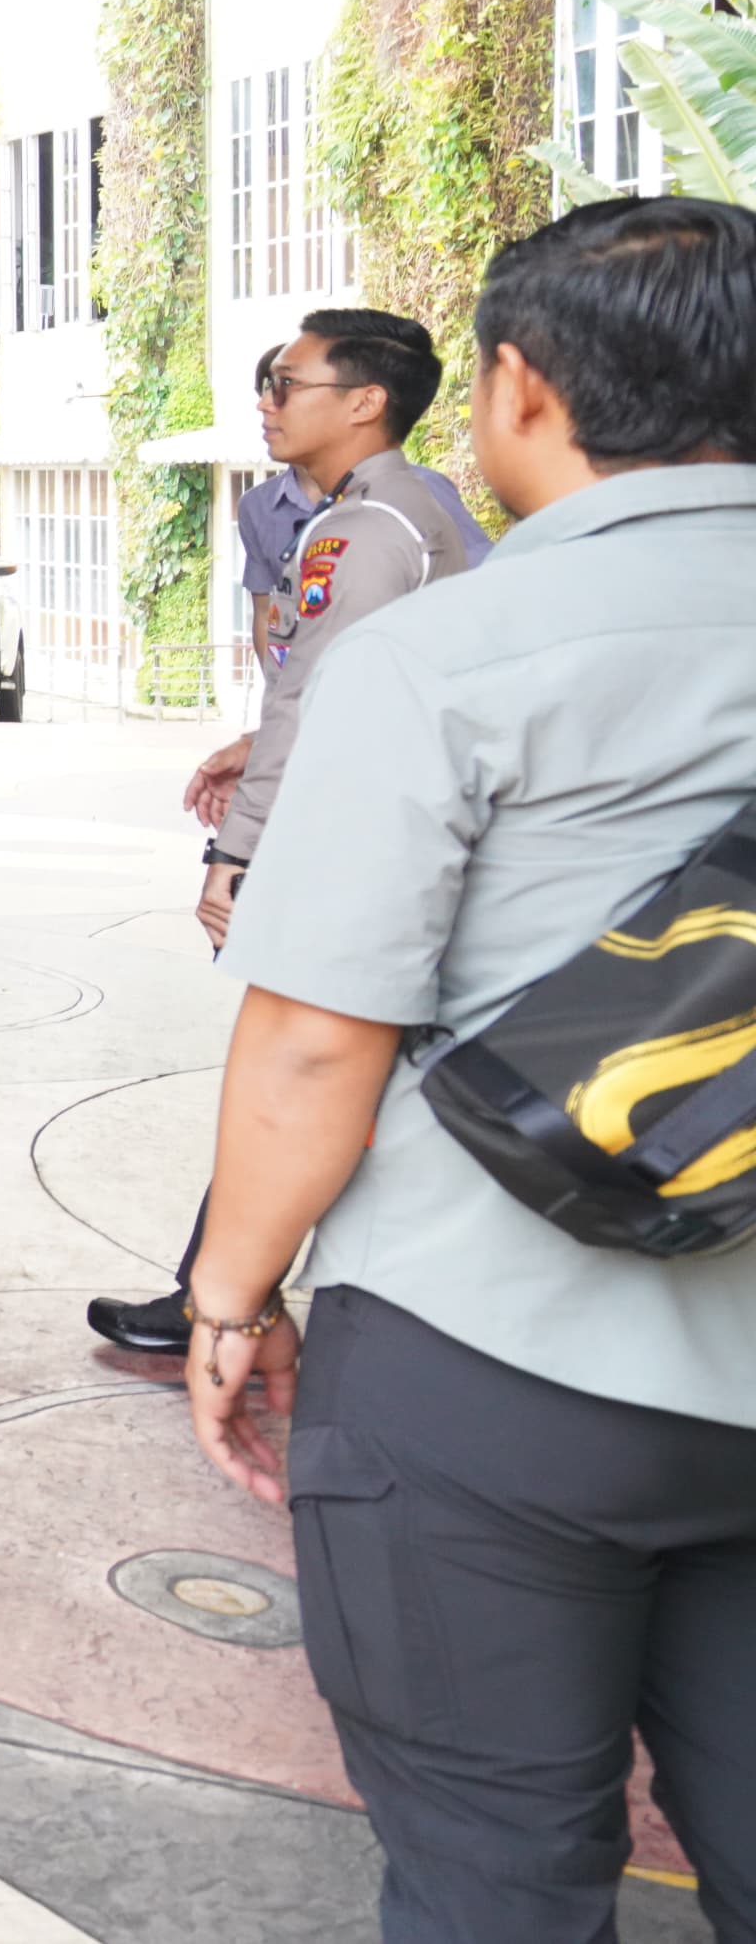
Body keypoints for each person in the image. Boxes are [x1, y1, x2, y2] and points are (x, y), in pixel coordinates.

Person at [182, 196, 756, 1942]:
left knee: (493, 1869)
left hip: (484, 1355)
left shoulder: (444, 655)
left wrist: (231, 1289)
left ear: (518, 385)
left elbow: (309, 1038)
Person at [91, 307, 488, 1352]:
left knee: (303, 1070)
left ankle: (228, 1301)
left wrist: (235, 854)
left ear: (363, 402)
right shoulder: (412, 511)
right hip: (408, 830)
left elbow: (315, 698)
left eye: (286, 382)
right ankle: (214, 1290)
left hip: (364, 842)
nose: (266, 403)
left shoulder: (364, 528)